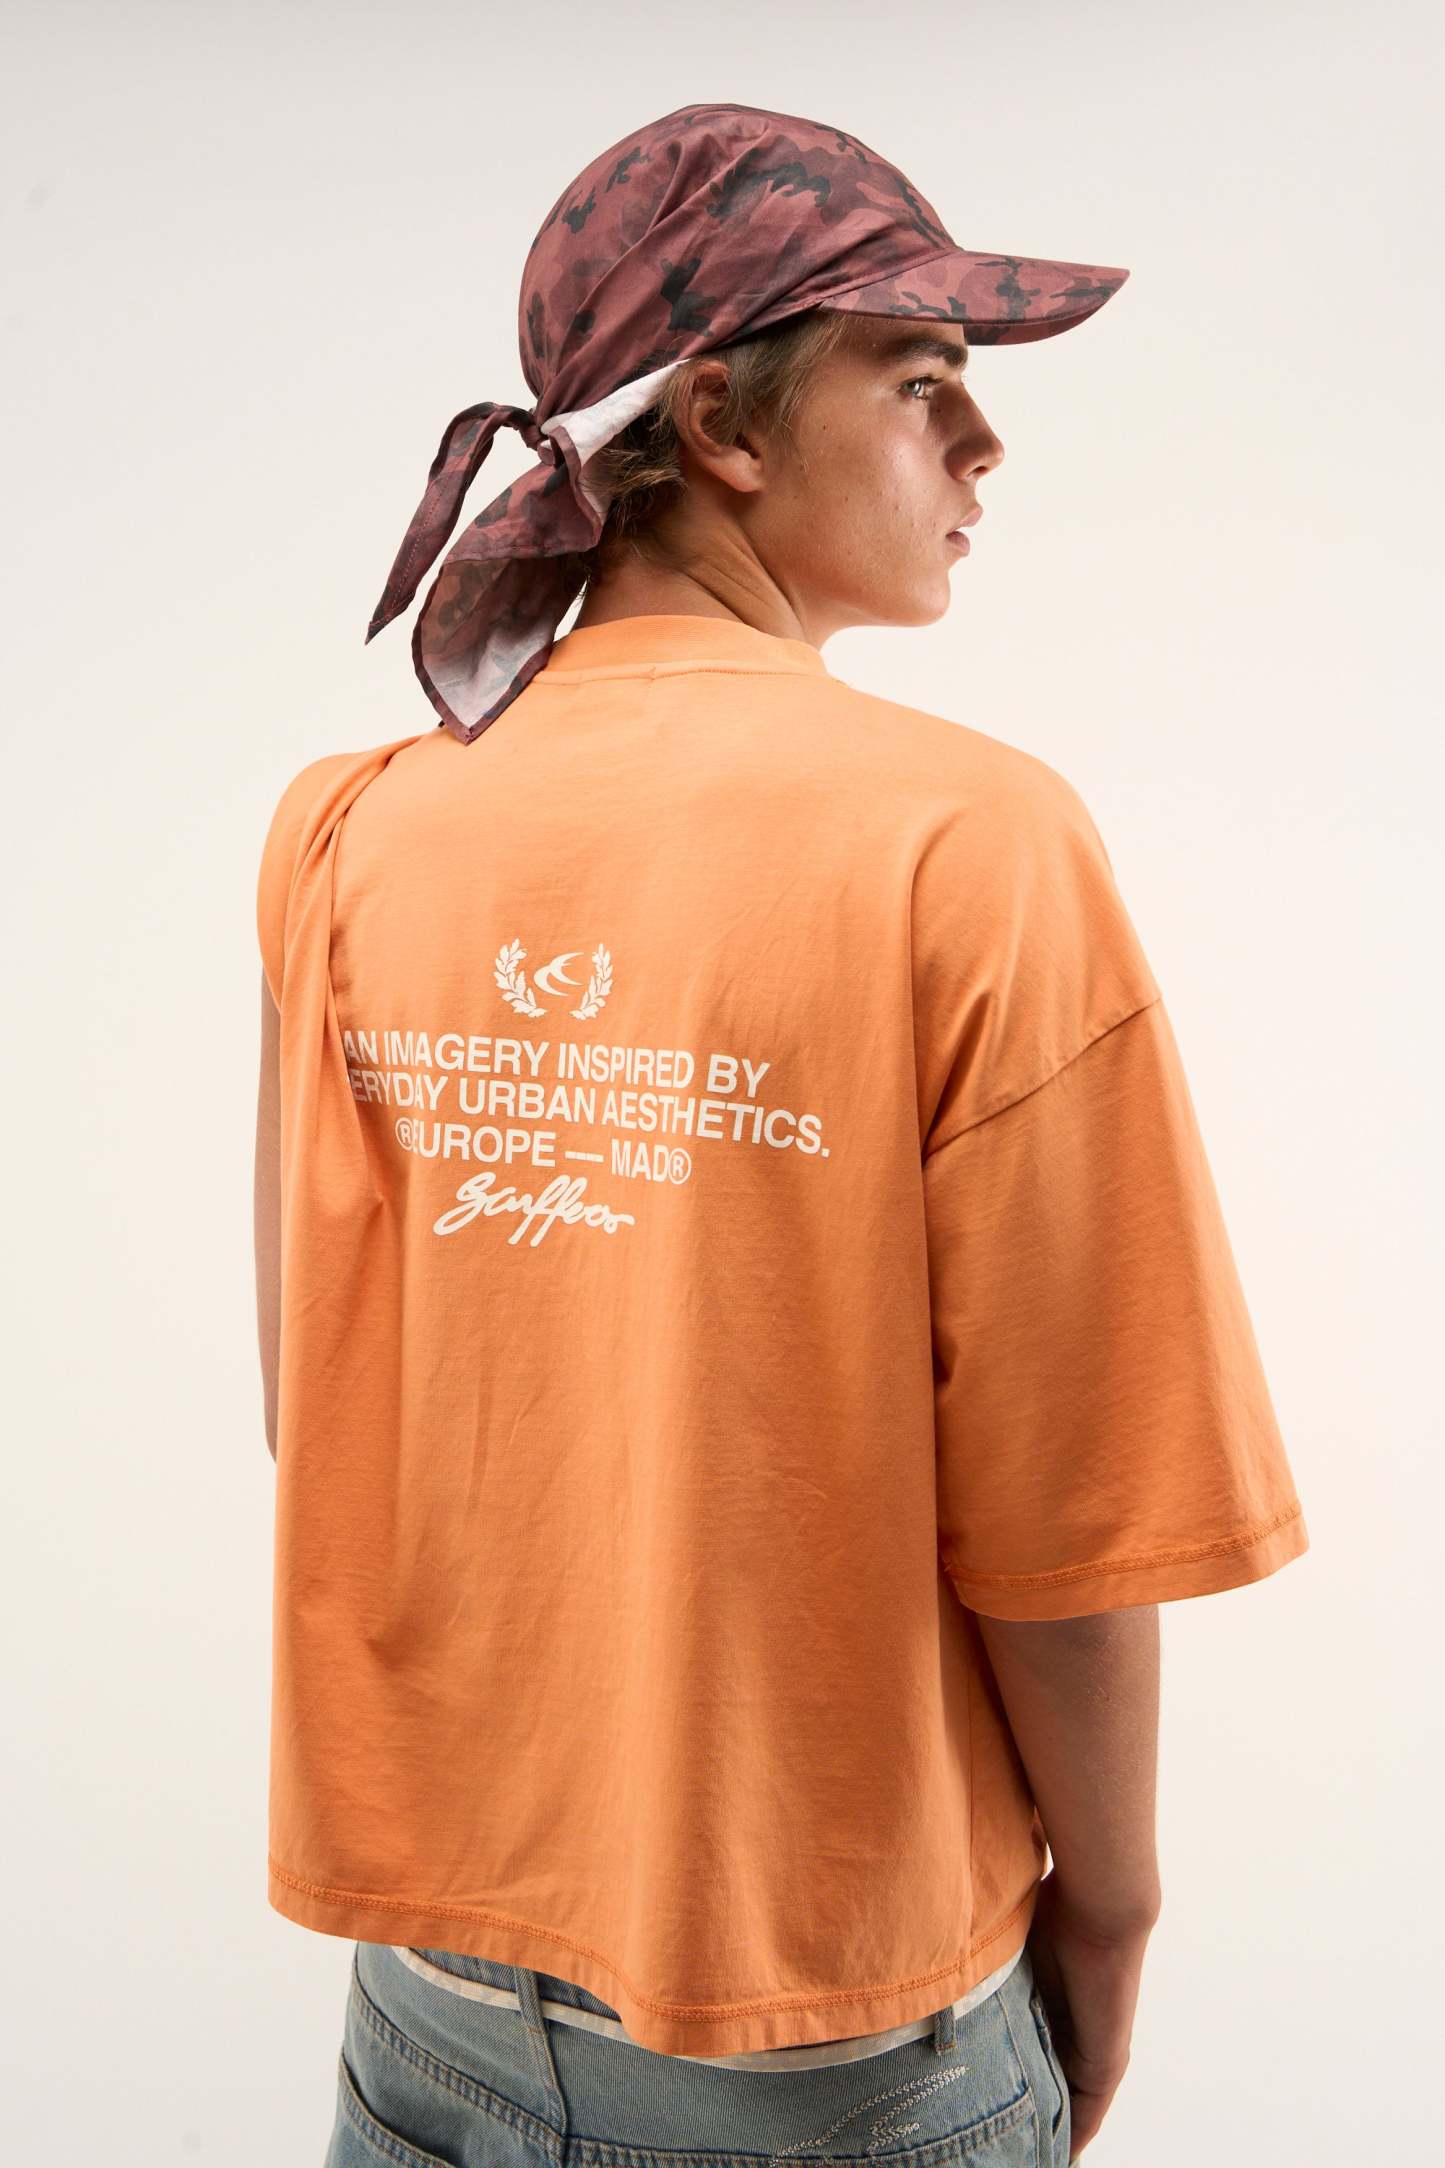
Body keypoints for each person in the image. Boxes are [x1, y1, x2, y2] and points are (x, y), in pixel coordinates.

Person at [253, 105, 1309, 2167]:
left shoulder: (355, 827)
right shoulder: (967, 842)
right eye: (923, 383)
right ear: (723, 423)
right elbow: (1067, 1523)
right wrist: (1112, 1910)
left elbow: (329, 1405)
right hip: (831, 2035)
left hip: (429, 1993)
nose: (983, 449)